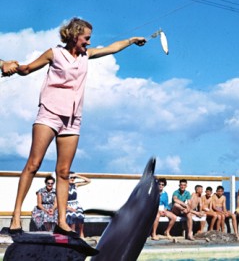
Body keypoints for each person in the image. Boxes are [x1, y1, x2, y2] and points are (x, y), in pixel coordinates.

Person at [6, 17, 146, 237]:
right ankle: (15, 218)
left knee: (63, 172)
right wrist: (8, 64)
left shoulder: (86, 56)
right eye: (86, 38)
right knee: (33, 164)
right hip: (49, 114)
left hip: (72, 119)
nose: (89, 43)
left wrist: (131, 40)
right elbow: (26, 69)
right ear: (73, 36)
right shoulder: (54, 53)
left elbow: (111, 48)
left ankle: (62, 221)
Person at [66, 172, 91, 238]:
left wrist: (77, 175)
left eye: (74, 178)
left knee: (80, 216)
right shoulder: (64, 186)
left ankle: (81, 234)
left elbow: (88, 181)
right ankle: (73, 233)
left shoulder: (75, 185)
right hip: (67, 205)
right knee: (72, 216)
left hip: (76, 204)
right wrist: (70, 208)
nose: (72, 179)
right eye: (71, 177)